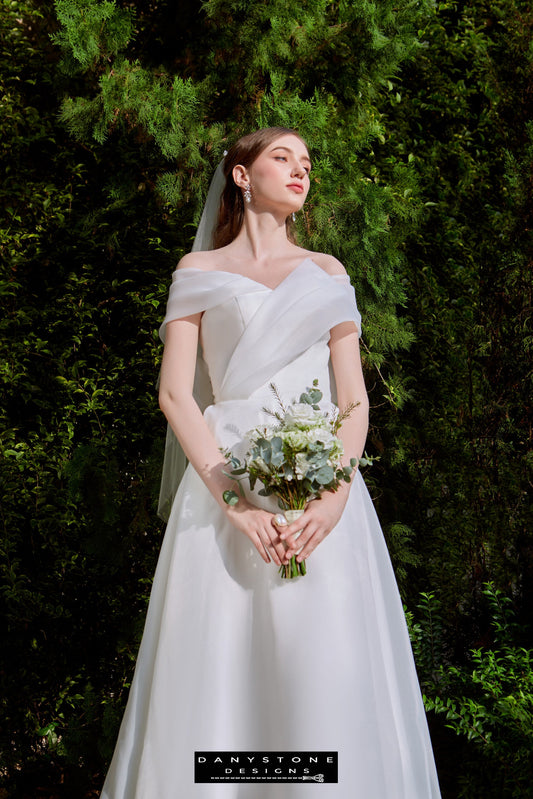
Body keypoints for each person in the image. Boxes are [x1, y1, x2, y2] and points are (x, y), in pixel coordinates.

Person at [101, 127, 441, 798]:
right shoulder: (197, 273)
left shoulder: (328, 271)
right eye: (281, 157)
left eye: (307, 162)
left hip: (321, 499)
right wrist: (235, 506)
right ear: (239, 175)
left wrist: (333, 499)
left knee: (320, 663)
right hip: (225, 494)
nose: (299, 170)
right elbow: (175, 393)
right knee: (221, 668)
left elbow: (353, 401)